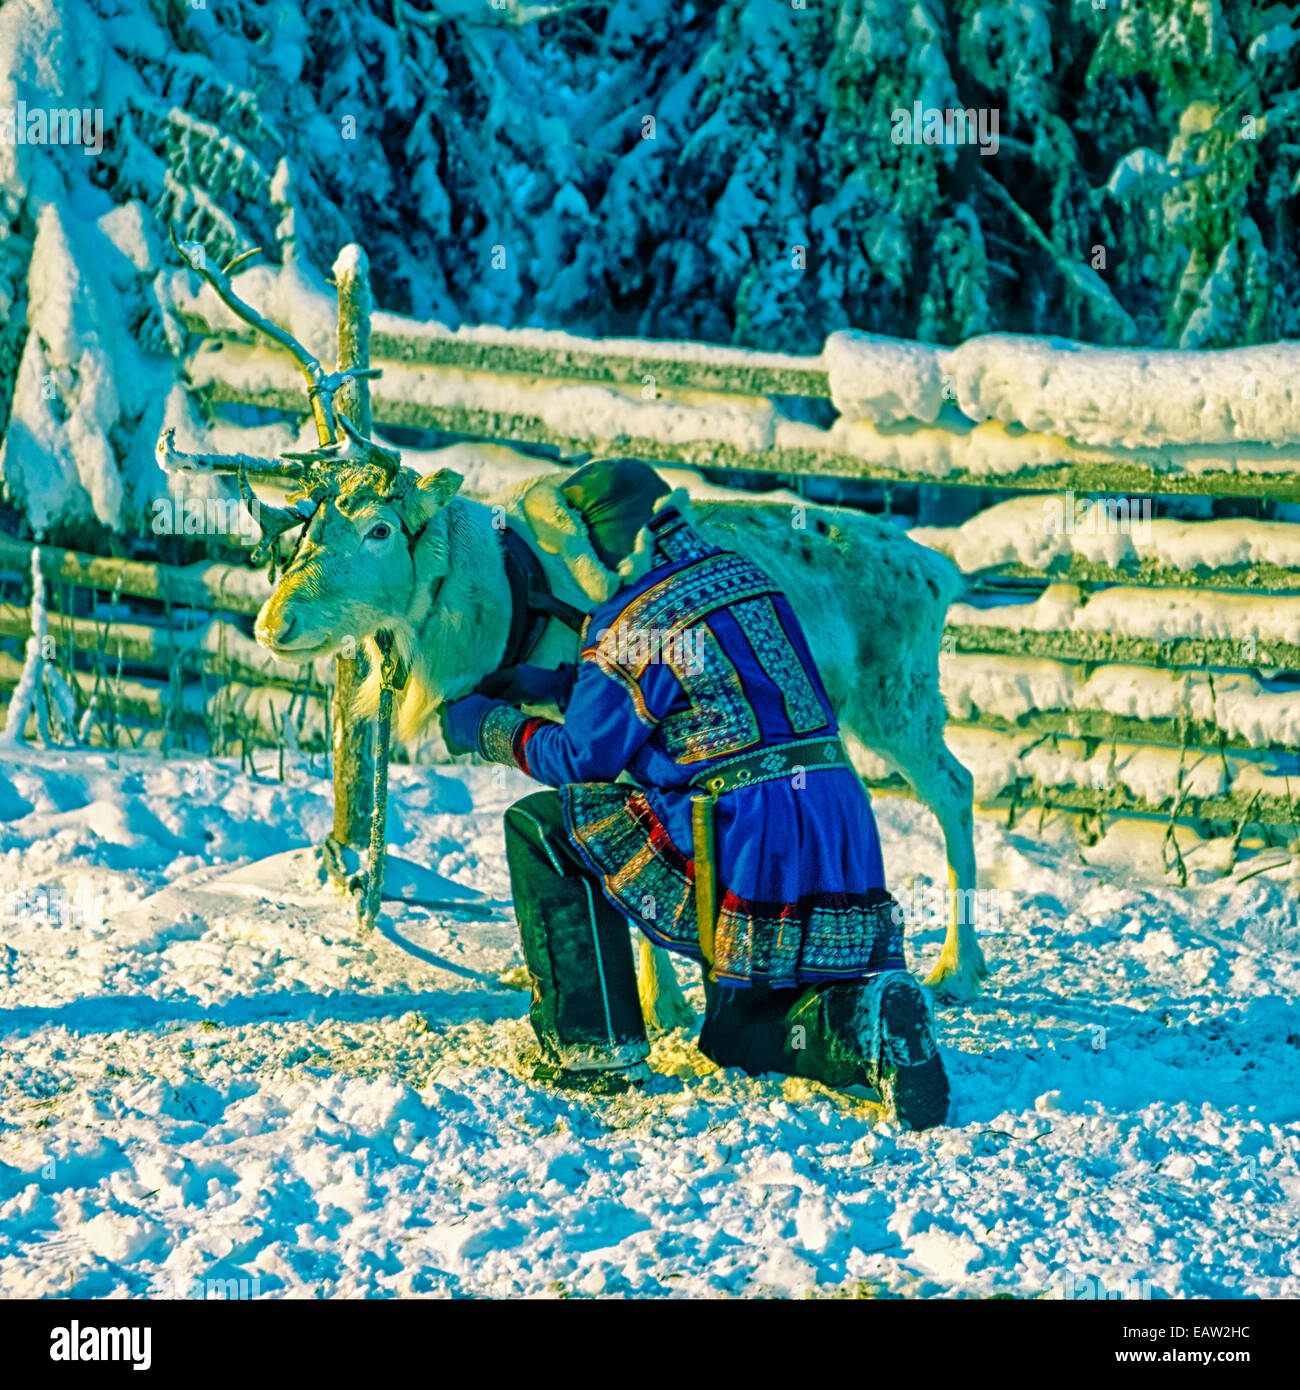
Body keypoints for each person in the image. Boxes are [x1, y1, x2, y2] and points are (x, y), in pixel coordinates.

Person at [440, 460, 949, 1130]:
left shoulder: (632, 622)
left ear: (600, 548)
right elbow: (702, 687)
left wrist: (487, 724)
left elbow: (583, 756)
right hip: (831, 812)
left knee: (545, 827)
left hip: (741, 829)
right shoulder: (744, 576)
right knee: (756, 1010)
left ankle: (594, 1047)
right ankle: (864, 1013)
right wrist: (553, 683)